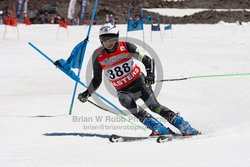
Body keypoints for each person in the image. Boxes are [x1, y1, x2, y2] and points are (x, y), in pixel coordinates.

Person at [78, 23, 200, 136]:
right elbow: (97, 79)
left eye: (112, 39)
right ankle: (157, 127)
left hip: (139, 82)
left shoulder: (126, 46)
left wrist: (150, 75)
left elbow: (147, 60)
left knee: (154, 106)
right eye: (105, 40)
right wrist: (87, 93)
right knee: (125, 101)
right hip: (122, 89)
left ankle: (184, 126)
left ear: (117, 37)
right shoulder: (98, 56)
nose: (108, 43)